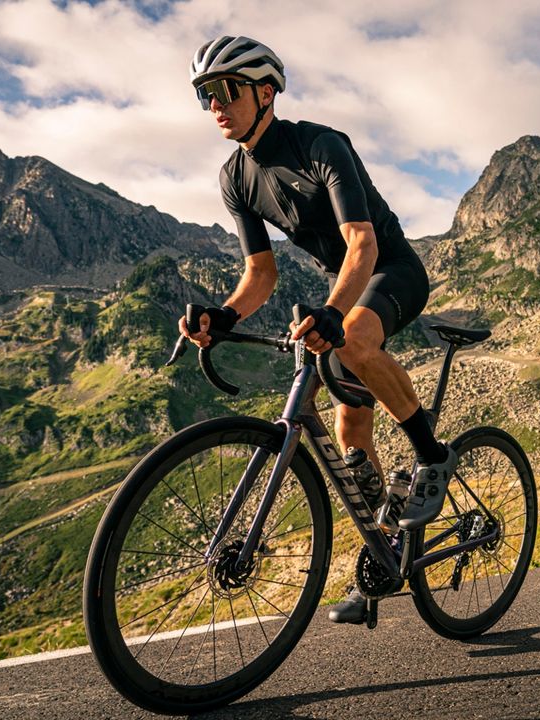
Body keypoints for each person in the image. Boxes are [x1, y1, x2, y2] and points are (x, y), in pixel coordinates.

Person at [178, 35, 458, 624]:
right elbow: (260, 272)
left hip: (391, 269)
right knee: (346, 414)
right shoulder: (235, 177)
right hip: (347, 285)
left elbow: (363, 242)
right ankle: (384, 553)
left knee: (350, 340)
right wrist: (224, 316)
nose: (215, 105)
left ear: (265, 91)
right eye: (206, 94)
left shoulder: (321, 144)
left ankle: (432, 456)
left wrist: (333, 311)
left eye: (226, 90)